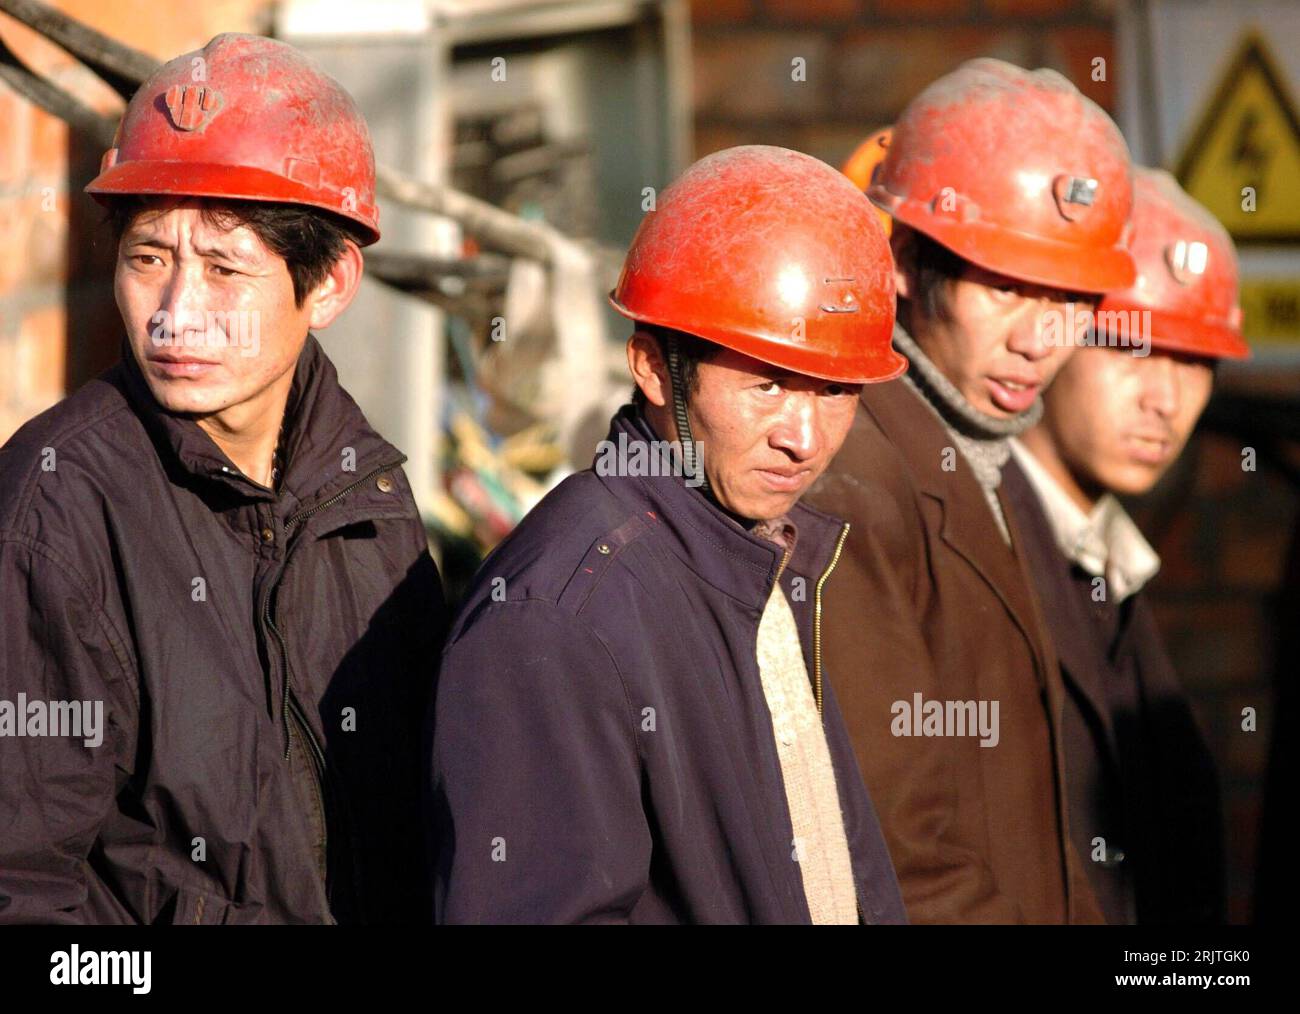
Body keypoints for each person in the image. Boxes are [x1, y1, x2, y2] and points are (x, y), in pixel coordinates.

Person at [0, 34, 444, 924]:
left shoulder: (368, 500)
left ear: (329, 285)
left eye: (225, 268)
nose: (175, 316)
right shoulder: (52, 512)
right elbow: (24, 895)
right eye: (148, 259)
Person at [428, 145, 908, 924]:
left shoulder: (761, 553)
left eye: (837, 391)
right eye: (766, 384)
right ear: (653, 368)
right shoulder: (559, 612)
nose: (805, 436)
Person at [806, 59, 1136, 922]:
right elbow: (898, 853)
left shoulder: (989, 459)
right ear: (908, 263)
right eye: (1005, 288)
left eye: (1071, 298)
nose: (1042, 339)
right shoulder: (851, 482)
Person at [1005, 168, 1247, 923]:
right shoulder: (972, 547)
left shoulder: (1111, 567)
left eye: (1195, 361)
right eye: (1135, 350)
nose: (1165, 400)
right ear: (1056, 331)